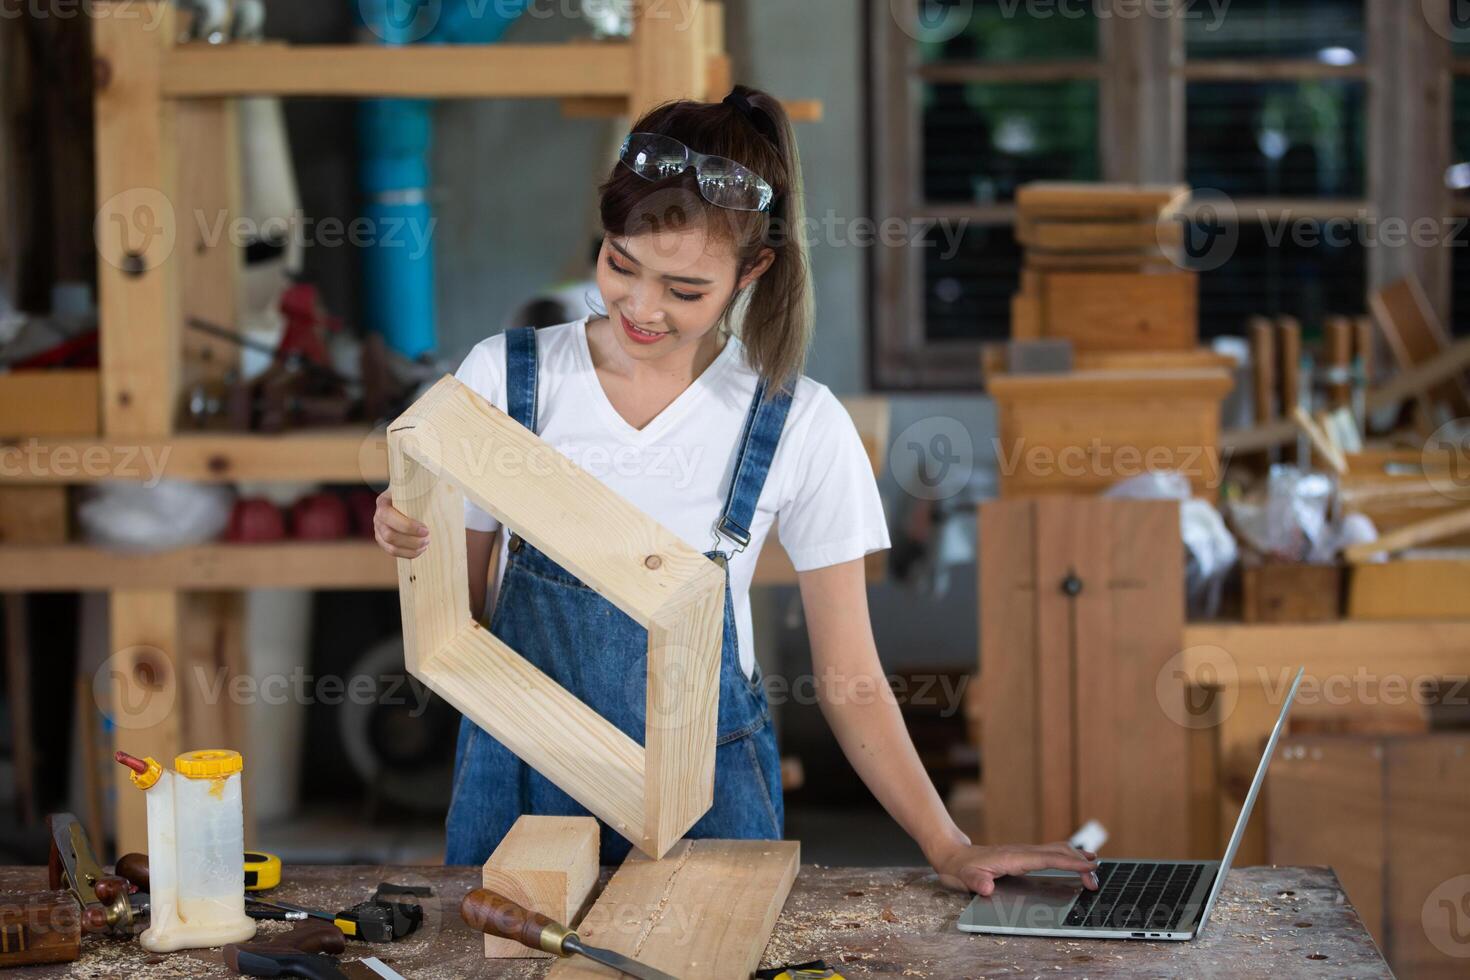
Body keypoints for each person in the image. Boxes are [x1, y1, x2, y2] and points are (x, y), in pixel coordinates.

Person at [373, 84, 1099, 896]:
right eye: (620, 264)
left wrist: (948, 844)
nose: (641, 308)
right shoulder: (505, 381)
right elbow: (462, 623)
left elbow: (851, 678)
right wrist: (415, 538)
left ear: (755, 269)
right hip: (521, 776)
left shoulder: (798, 423)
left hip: (705, 794)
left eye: (685, 291)